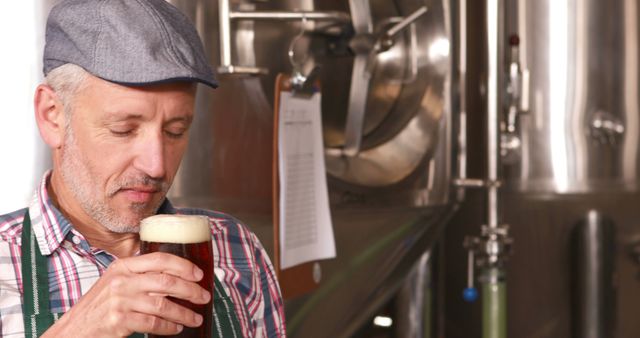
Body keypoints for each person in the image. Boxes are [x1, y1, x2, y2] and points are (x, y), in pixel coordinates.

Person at [0, 0, 286, 337]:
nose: (157, 165)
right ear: (52, 116)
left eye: (175, 131)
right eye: (124, 129)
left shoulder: (236, 247)